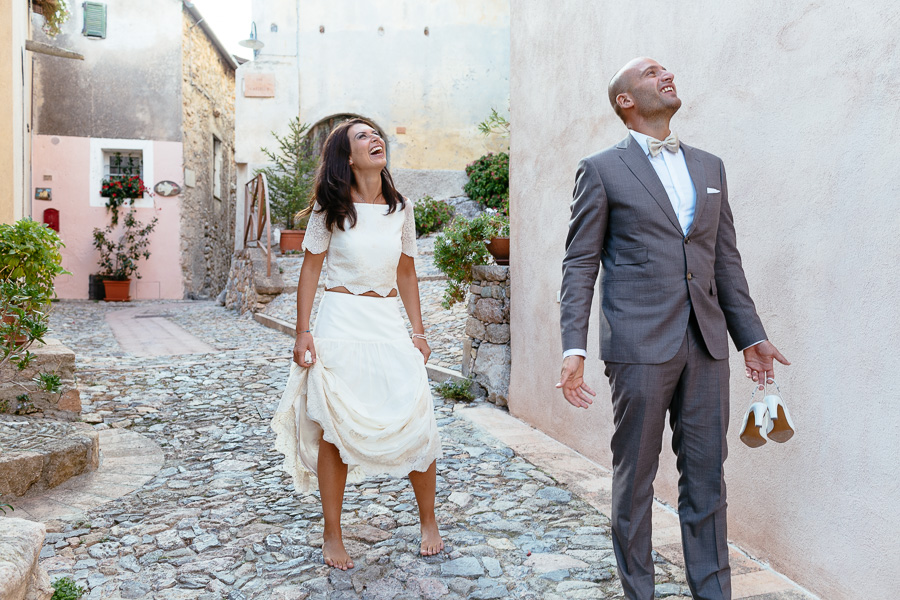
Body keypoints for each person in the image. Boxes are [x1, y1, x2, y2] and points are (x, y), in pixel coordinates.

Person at [557, 57, 790, 600]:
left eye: (668, 70)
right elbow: (580, 262)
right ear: (626, 100)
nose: (667, 75)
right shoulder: (601, 169)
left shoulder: (710, 167)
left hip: (707, 344)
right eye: (651, 73)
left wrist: (750, 336)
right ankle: (640, 592)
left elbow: (724, 260)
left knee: (707, 478)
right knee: (635, 479)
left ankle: (712, 592)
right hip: (638, 344)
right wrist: (574, 346)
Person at [271, 118, 444, 571]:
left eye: (376, 134)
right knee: (334, 427)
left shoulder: (401, 207)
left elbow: (406, 271)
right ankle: (333, 531)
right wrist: (302, 330)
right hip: (340, 321)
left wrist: (419, 333)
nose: (375, 139)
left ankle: (428, 520)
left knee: (417, 417)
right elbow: (310, 269)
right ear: (348, 157)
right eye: (363, 137)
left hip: (387, 323)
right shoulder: (330, 206)